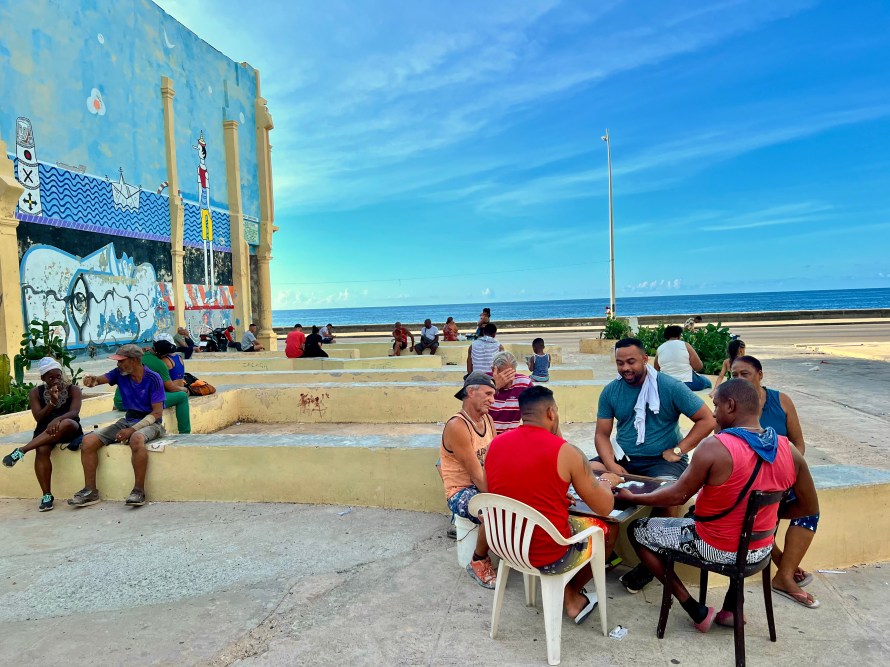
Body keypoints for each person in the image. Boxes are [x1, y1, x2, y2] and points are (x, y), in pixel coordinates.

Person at [623, 379, 818, 631]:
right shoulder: (789, 450)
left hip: (715, 547)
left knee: (638, 529)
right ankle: (731, 609)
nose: (714, 413)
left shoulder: (715, 447)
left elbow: (677, 496)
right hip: (760, 550)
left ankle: (693, 607)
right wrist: (773, 513)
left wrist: (633, 497)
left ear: (731, 405)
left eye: (716, 405)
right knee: (735, 527)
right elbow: (809, 508)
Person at [486, 386, 622, 623]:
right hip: (548, 553)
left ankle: (567, 593)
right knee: (609, 528)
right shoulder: (566, 452)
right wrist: (607, 481)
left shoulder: (496, 444)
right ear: (551, 412)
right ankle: (572, 596)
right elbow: (604, 507)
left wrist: (554, 494)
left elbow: (503, 488)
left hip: (505, 544)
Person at [594, 337, 716, 593]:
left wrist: (679, 449)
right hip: (623, 458)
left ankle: (649, 566)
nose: (625, 368)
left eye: (631, 362)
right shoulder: (611, 391)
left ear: (645, 359)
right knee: (582, 472)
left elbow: (707, 419)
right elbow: (602, 435)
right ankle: (602, 552)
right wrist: (610, 464)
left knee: (668, 494)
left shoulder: (669, 386)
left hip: (662, 461)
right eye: (620, 363)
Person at [731, 354, 819, 608]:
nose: (739, 379)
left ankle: (784, 575)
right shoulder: (730, 404)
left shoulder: (781, 401)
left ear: (760, 375)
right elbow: (723, 446)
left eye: (745, 374)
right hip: (748, 483)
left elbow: (798, 444)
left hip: (782, 477)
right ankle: (784, 567)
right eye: (734, 375)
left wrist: (785, 472)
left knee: (808, 512)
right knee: (756, 516)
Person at [71, 344, 167, 508]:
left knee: (136, 439)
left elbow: (157, 413)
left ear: (134, 360)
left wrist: (132, 430)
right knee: (88, 442)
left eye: (121, 361)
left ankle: (138, 491)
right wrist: (91, 380)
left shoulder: (153, 378)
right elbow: (99, 380)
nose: (118, 364)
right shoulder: (120, 373)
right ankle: (90, 491)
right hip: (128, 419)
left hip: (151, 422)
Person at [440, 372, 498, 588]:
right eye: (488, 394)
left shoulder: (488, 420)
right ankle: (478, 560)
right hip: (461, 491)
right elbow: (476, 474)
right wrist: (502, 497)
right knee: (494, 513)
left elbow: (495, 459)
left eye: (493, 394)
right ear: (471, 392)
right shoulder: (458, 425)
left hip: (482, 483)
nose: (493, 400)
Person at [2, 357, 83, 512]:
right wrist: (52, 403)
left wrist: (57, 419)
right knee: (41, 449)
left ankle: (22, 450)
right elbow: (38, 417)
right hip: (45, 430)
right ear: (43, 378)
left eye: (58, 376)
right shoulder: (35, 393)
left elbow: (74, 412)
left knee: (66, 422)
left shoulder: (73, 389)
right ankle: (47, 495)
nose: (56, 380)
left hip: (68, 428)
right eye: (50, 378)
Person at [114, 336, 191, 434]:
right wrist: (185, 389)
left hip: (119, 401)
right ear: (163, 355)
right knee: (182, 397)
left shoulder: (139, 357)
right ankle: (185, 433)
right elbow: (171, 388)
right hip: (134, 403)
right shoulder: (160, 364)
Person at [488, 351, 534, 434]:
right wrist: (495, 387)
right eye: (504, 375)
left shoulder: (524, 383)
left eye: (511, 374)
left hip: (510, 436)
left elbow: (537, 409)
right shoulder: (484, 381)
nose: (508, 380)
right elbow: (475, 409)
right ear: (493, 370)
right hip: (487, 436)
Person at [654, 325, 712, 391]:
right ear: (679, 336)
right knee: (707, 383)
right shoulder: (685, 345)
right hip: (688, 383)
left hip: (667, 384)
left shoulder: (660, 348)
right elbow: (698, 366)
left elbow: (656, 370)